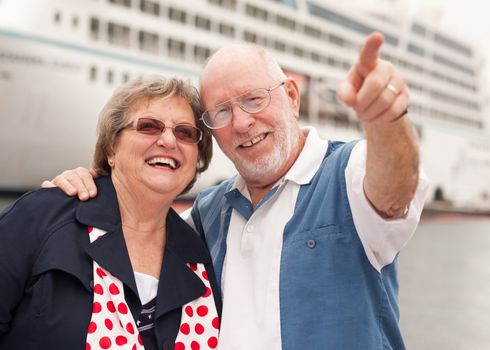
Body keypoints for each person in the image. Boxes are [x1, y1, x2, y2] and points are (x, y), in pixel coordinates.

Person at [44, 32, 429, 349]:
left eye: (253, 99)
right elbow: (134, 230)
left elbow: (394, 192)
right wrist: (88, 186)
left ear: (292, 97)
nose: (242, 122)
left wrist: (386, 120)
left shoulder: (346, 174)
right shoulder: (206, 214)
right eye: (221, 113)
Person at [0, 77, 222, 349]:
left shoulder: (200, 254)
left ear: (197, 158)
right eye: (149, 126)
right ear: (111, 148)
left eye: (185, 133)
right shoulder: (43, 217)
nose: (168, 140)